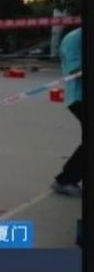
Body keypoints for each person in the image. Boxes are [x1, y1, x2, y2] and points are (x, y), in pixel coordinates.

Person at [51, 27, 83, 197]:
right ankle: (65, 180)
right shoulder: (74, 38)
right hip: (79, 98)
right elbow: (76, 71)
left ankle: (66, 179)